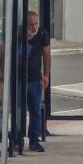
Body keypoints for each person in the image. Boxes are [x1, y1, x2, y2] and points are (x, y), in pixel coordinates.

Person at [24, 11, 51, 152]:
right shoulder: (17, 34)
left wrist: (46, 75)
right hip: (19, 78)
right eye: (30, 24)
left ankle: (34, 140)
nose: (34, 27)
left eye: (35, 24)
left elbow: (47, 54)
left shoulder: (41, 35)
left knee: (35, 111)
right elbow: (1, 50)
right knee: (18, 110)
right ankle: (16, 139)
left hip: (35, 78)